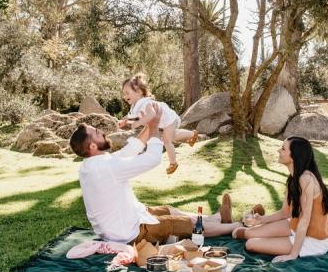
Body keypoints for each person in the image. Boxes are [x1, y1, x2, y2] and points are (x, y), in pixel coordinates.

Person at [70, 102, 239, 244]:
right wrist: (155, 125)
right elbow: (152, 159)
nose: (103, 133)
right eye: (98, 134)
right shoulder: (106, 166)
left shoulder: (90, 165)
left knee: (169, 210)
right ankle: (237, 227)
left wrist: (151, 125)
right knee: (185, 223)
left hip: (123, 225)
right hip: (130, 235)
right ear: (92, 146)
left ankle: (217, 218)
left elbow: (130, 150)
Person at [231, 136, 328, 263]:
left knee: (251, 244)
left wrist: (292, 254)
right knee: (248, 234)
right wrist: (262, 220)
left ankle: (239, 227)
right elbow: (285, 212)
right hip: (294, 225)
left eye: (283, 149)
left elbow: (304, 221)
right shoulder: (293, 178)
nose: (278, 151)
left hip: (312, 240)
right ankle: (241, 227)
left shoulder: (306, 179)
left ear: (294, 156)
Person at [118, 73, 198, 175]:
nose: (125, 96)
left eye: (127, 93)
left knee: (166, 140)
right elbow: (130, 115)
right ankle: (193, 134)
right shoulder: (136, 105)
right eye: (124, 94)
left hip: (169, 119)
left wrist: (138, 123)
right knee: (173, 136)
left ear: (138, 92)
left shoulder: (145, 103)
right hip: (166, 122)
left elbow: (152, 114)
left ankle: (173, 163)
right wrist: (124, 121)